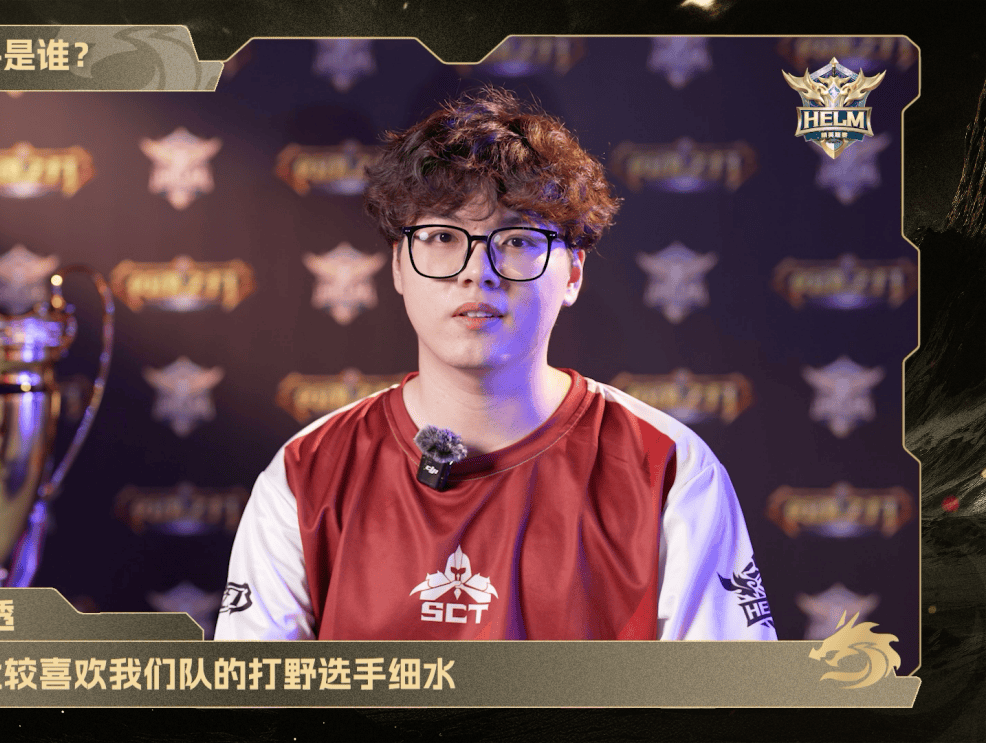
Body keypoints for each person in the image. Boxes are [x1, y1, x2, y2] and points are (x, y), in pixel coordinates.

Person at [214, 86, 776, 641]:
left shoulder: (670, 469)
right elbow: (255, 697)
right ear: (399, 267)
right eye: (441, 236)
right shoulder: (306, 472)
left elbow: (724, 695)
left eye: (517, 239)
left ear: (573, 273)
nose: (475, 272)